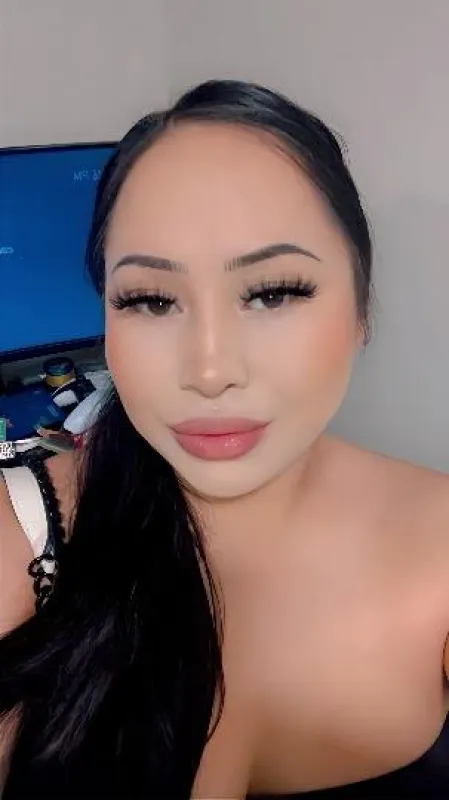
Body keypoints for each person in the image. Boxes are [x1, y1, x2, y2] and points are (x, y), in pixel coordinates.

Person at [0, 79, 448, 799]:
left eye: (273, 292)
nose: (209, 371)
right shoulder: (15, 538)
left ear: (361, 308)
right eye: (150, 299)